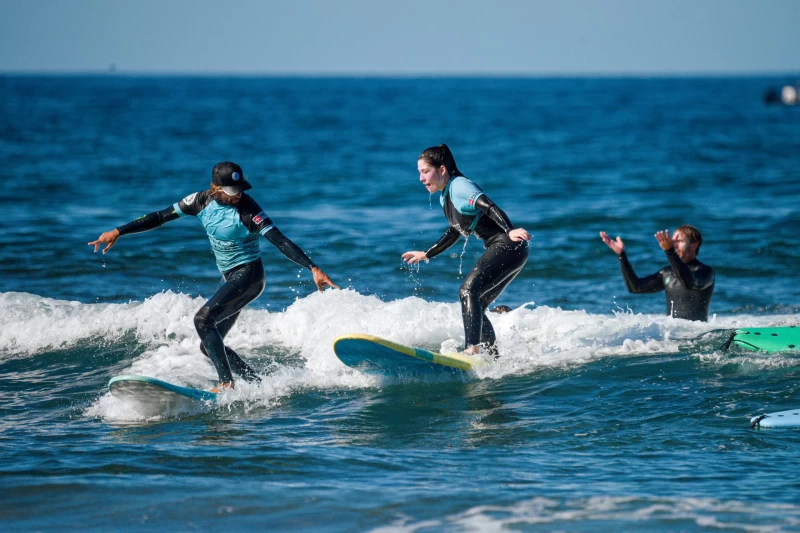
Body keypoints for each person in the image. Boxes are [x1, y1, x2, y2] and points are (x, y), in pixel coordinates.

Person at [89, 162, 338, 391]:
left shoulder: (249, 210)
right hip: (229, 278)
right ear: (215, 188)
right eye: (232, 190)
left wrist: (312, 267)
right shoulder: (199, 201)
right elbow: (160, 217)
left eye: (240, 189)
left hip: (249, 276)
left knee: (202, 320)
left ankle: (226, 383)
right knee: (208, 346)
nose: (238, 194)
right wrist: (119, 231)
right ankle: (258, 385)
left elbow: (279, 240)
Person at [402, 144, 531, 356]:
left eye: (425, 171)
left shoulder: (460, 186)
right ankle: (493, 358)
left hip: (507, 244)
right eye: (419, 173)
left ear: (442, 170)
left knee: (466, 291)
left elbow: (488, 205)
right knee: (477, 303)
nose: (421, 178)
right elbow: (454, 231)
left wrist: (510, 230)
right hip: (511, 248)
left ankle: (472, 350)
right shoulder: (446, 195)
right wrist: (427, 254)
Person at [599, 225, 715, 321]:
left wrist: (669, 251)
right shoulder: (667, 272)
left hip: (698, 334)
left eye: (679, 241)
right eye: (672, 242)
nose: (674, 245)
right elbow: (635, 287)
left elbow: (690, 283)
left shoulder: (705, 272)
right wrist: (621, 255)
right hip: (673, 334)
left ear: (695, 244)